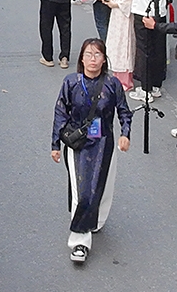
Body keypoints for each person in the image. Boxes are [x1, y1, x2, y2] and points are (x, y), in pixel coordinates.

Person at [50, 38, 132, 262]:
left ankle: (95, 220)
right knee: (83, 191)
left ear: (104, 59)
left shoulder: (112, 84)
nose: (92, 59)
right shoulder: (71, 82)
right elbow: (60, 112)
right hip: (77, 145)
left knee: (102, 187)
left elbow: (124, 111)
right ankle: (79, 240)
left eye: (97, 54)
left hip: (104, 144)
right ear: (81, 58)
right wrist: (55, 144)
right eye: (88, 54)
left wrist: (125, 134)